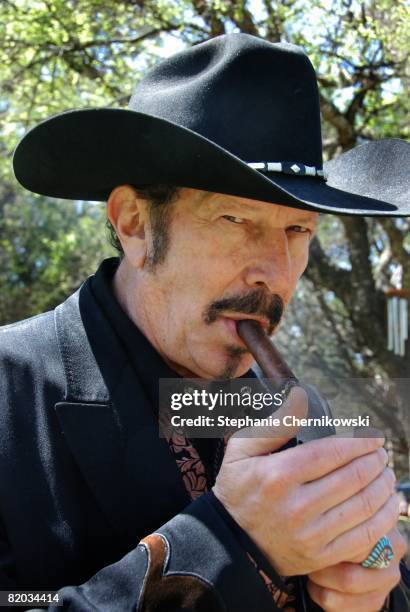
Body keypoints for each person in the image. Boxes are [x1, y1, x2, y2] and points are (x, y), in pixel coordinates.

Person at [2, 33, 409, 611]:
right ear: (135, 223)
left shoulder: (296, 412)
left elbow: (379, 572)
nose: (276, 271)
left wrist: (375, 586)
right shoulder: (9, 393)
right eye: (236, 218)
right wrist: (232, 545)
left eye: (299, 231)